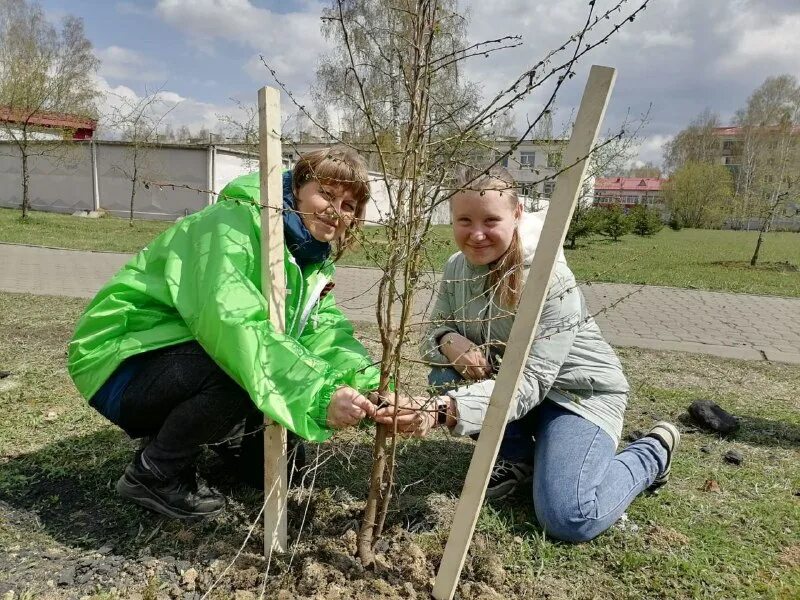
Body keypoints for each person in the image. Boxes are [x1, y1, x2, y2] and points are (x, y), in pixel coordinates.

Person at [68, 146, 383, 520]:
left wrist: (374, 389)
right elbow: (235, 327)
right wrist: (321, 394)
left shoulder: (309, 260)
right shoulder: (232, 225)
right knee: (237, 366)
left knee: (284, 470)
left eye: (349, 205)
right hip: (122, 360)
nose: (336, 211)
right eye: (326, 194)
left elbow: (322, 332)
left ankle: (213, 431)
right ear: (298, 187)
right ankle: (154, 472)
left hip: (182, 356)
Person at [374, 166, 680, 543]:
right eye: (464, 220)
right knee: (444, 374)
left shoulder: (550, 278)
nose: (476, 234)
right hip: (512, 388)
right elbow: (431, 332)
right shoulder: (456, 267)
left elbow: (532, 382)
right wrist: (446, 339)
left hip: (577, 397)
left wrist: (442, 411)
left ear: (517, 214)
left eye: (491, 220)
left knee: (569, 517)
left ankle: (652, 453)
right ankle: (519, 458)